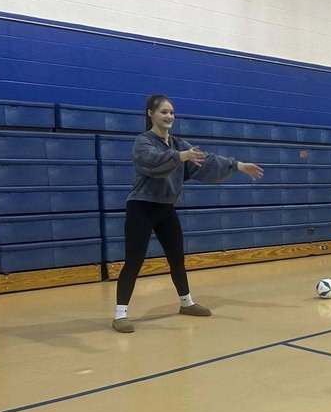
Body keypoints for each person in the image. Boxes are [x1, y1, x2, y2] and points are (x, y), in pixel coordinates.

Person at [112, 94, 264, 333]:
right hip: (141, 206)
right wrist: (180, 156)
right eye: (163, 112)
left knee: (177, 259)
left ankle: (186, 303)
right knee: (134, 261)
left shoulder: (178, 143)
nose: (169, 116)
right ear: (150, 114)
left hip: (165, 208)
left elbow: (207, 161)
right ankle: (120, 314)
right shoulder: (143, 142)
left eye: (171, 112)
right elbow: (152, 162)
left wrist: (237, 165)